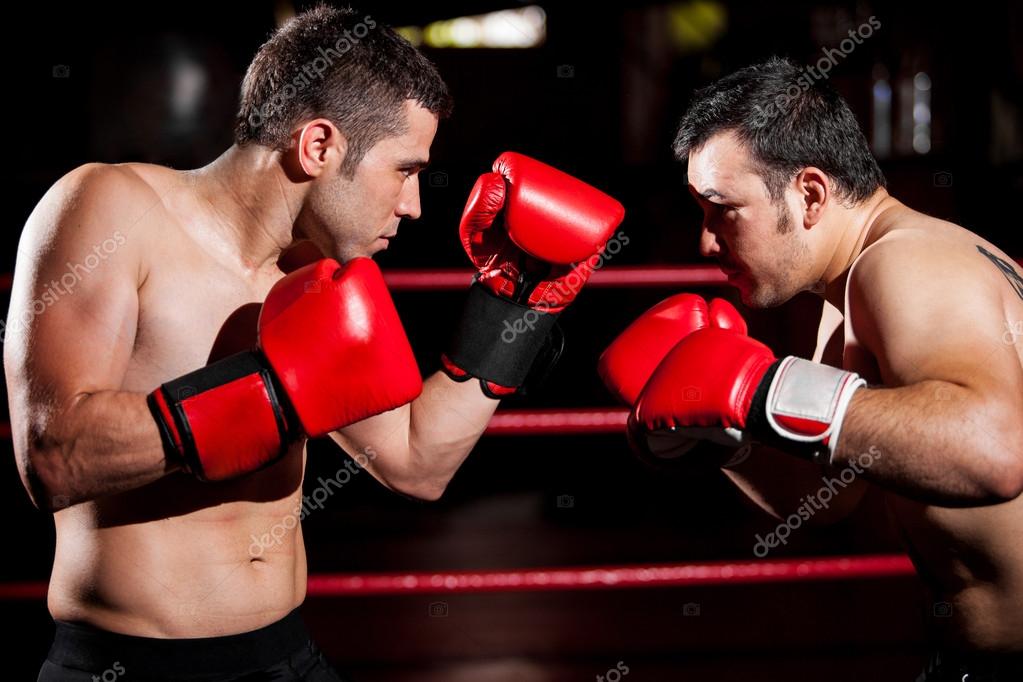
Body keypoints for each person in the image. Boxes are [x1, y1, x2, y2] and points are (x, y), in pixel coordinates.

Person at [4, 6, 623, 680]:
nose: (414, 204)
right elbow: (54, 456)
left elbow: (417, 463)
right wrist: (275, 393)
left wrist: (515, 304)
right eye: (403, 170)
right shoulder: (114, 206)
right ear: (319, 146)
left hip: (288, 657)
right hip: (133, 665)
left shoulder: (313, 282)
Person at [600, 57, 1023, 681]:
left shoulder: (904, 263)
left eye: (723, 209)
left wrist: (754, 389)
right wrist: (724, 438)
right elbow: (828, 496)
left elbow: (993, 450)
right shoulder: (851, 286)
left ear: (810, 193)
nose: (707, 242)